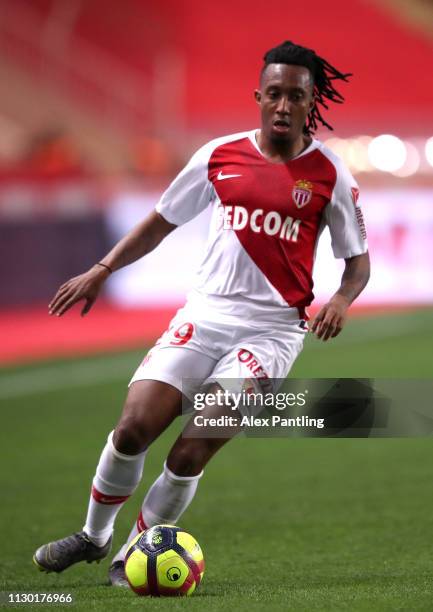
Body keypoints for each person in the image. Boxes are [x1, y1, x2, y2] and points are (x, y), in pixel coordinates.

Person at [33, 40, 370, 587]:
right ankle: (94, 537)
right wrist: (103, 267)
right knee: (132, 429)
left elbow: (357, 263)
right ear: (259, 96)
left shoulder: (331, 175)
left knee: (193, 447)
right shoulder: (218, 155)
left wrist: (340, 298)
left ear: (312, 103)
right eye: (276, 94)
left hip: (271, 333)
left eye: (297, 96)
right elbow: (160, 221)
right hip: (204, 315)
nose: (284, 105)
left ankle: (133, 555)